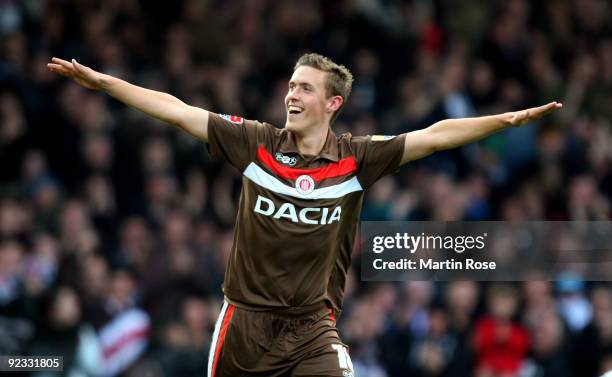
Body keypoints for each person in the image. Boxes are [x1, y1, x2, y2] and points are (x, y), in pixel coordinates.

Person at [47, 53, 561, 377]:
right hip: (243, 324)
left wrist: (507, 119)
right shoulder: (255, 143)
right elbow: (176, 109)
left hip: (313, 325)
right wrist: (106, 83)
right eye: (291, 85)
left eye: (305, 88)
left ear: (333, 102)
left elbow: (435, 135)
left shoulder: (356, 158)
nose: (291, 94)